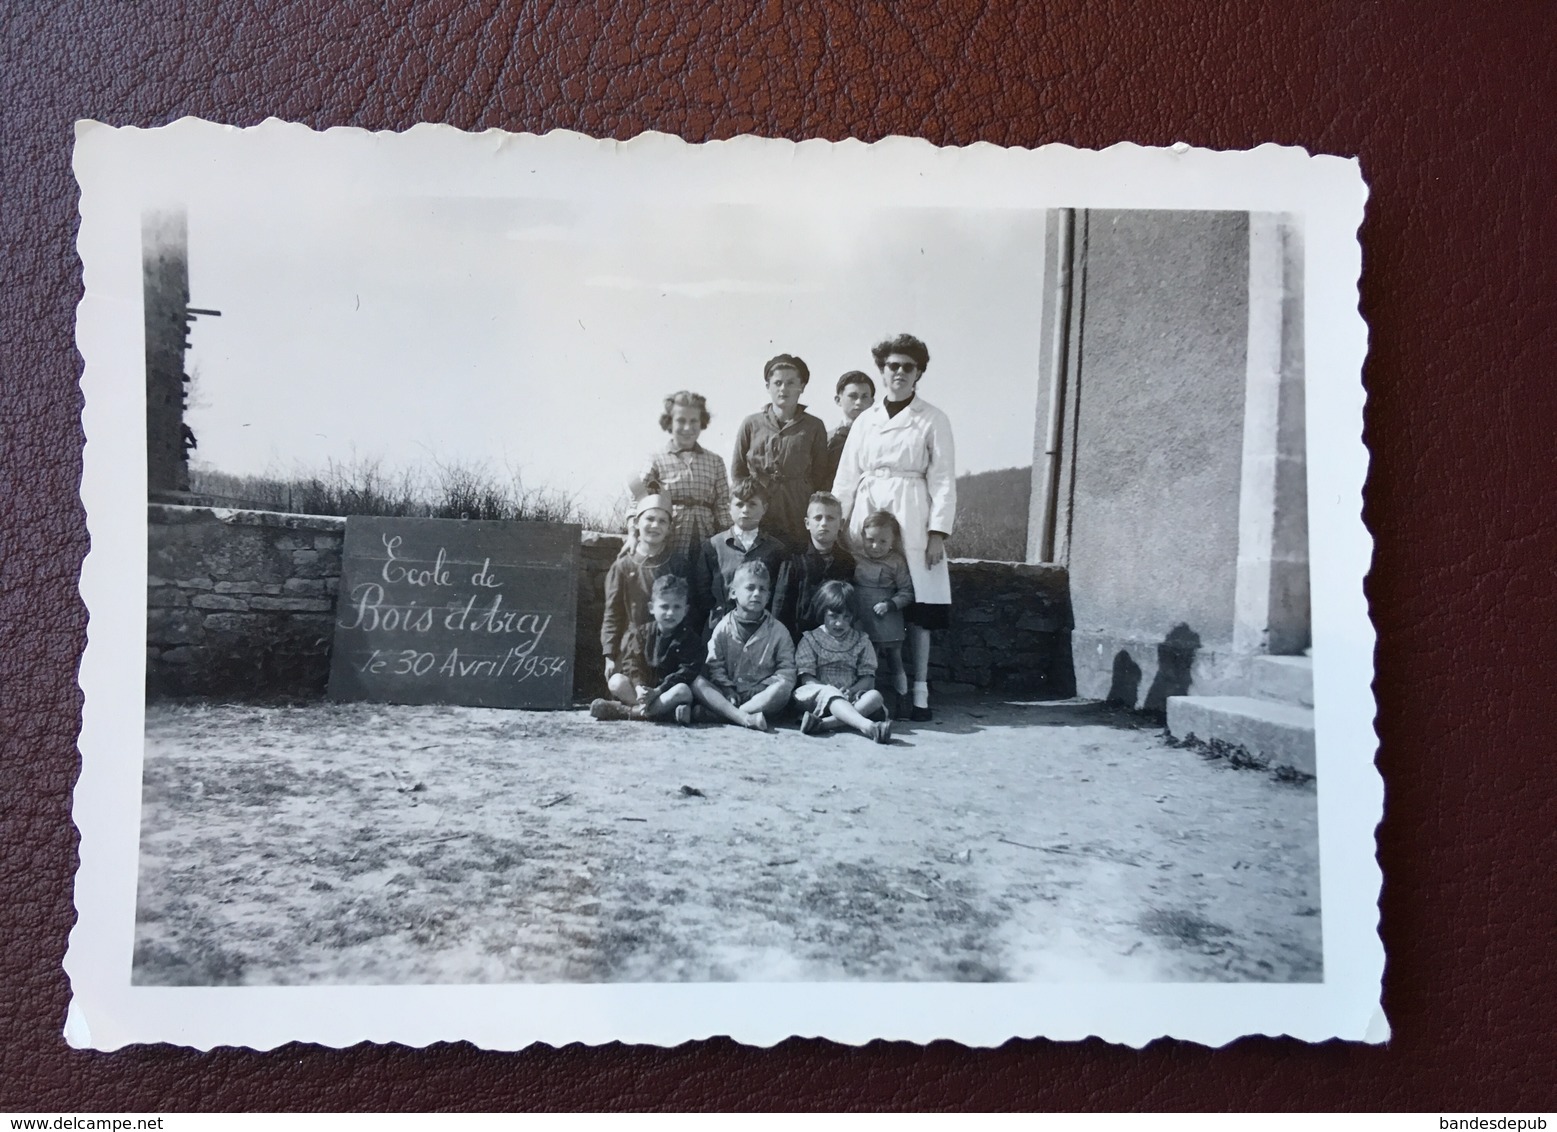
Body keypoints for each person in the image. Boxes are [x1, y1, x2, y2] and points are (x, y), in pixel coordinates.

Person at [833, 333, 955, 722]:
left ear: (918, 373)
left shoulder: (933, 418)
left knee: (918, 603)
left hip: (913, 511)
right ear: (882, 372)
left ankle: (919, 691)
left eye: (908, 367)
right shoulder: (865, 421)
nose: (899, 373)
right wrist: (839, 521)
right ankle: (869, 688)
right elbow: (847, 476)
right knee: (867, 599)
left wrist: (937, 533)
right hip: (867, 510)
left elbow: (943, 479)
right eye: (892, 366)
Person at [598, 493, 696, 711]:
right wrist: (609, 654)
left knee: (677, 684)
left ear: (670, 528)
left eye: (662, 521)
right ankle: (651, 709)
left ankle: (639, 710)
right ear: (636, 523)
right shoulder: (623, 566)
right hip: (633, 648)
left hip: (670, 645)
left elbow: (689, 609)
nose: (655, 525)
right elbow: (612, 613)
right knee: (619, 683)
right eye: (649, 519)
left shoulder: (678, 564)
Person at [729, 354, 830, 549]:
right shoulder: (751, 424)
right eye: (778, 383)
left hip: (798, 508)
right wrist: (751, 502)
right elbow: (738, 471)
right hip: (759, 509)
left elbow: (820, 474)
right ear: (768, 387)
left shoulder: (814, 426)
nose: (784, 389)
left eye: (791, 383)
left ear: (802, 387)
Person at [692, 561, 796, 731]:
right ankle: (742, 716)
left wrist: (763, 687)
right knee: (697, 682)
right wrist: (727, 688)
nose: (756, 594)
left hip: (762, 697)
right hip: (728, 694)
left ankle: (728, 714)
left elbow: (787, 670)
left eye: (762, 589)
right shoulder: (723, 627)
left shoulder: (779, 631)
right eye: (750, 588)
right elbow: (714, 663)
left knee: (783, 688)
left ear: (768, 596)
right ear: (733, 592)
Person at [630, 390, 731, 560]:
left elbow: (722, 507)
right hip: (668, 542)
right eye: (681, 421)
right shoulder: (656, 459)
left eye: (694, 421)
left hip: (707, 542)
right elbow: (638, 501)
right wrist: (633, 534)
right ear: (669, 422)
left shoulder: (715, 461)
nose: (687, 428)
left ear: (702, 423)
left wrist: (728, 543)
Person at [590, 574, 703, 723]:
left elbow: (687, 671)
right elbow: (632, 663)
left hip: (667, 691)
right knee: (616, 681)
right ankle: (663, 713)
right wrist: (639, 687)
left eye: (677, 607)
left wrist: (658, 691)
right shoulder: (641, 634)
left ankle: (628, 712)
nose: (670, 613)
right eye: (664, 606)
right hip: (642, 692)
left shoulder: (690, 639)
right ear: (651, 608)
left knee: (682, 690)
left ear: (685, 610)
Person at [793, 581, 892, 743]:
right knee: (830, 694)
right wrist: (832, 692)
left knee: (875, 696)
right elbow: (806, 679)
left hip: (851, 696)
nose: (840, 623)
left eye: (846, 617)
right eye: (833, 616)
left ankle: (824, 724)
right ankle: (867, 726)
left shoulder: (861, 640)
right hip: (818, 695)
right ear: (822, 612)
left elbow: (868, 678)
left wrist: (852, 691)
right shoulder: (810, 639)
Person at [694, 476, 787, 631]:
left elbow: (779, 593)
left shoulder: (776, 549)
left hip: (761, 627)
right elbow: (702, 591)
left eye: (752, 504)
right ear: (729, 508)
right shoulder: (713, 546)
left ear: (764, 508)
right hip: (720, 627)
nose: (745, 510)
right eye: (739, 504)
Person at [852, 509, 915, 715]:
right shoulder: (855, 558)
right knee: (867, 663)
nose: (875, 546)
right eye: (870, 540)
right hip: (862, 617)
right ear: (862, 537)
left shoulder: (896, 562)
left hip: (887, 620)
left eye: (882, 541)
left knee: (895, 660)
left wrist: (890, 604)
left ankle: (902, 700)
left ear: (892, 540)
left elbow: (907, 591)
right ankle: (869, 704)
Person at [774, 492, 856, 641]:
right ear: (807, 523)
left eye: (830, 518)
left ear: (841, 524)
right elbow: (781, 601)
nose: (824, 523)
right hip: (797, 636)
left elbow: (848, 605)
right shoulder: (794, 558)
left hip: (832, 637)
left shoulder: (846, 561)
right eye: (818, 518)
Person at [821, 370, 876, 488]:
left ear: (872, 402)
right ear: (838, 400)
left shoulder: (879, 438)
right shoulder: (827, 439)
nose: (859, 402)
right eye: (853, 396)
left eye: (865, 397)